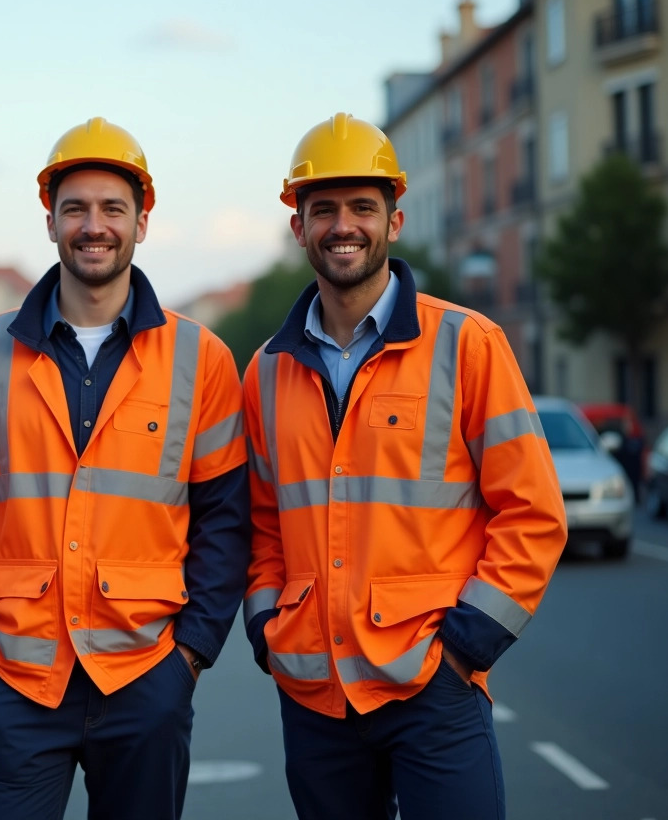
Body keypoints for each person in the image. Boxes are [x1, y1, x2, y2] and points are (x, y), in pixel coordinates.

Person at [0, 117, 250, 820]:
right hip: (17, 684)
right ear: (50, 221)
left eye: (111, 209)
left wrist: (187, 660)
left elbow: (227, 521)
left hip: (145, 681)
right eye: (75, 209)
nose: (92, 226)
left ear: (142, 221)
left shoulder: (202, 360)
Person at [241, 113, 567, 820]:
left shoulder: (468, 344)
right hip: (314, 690)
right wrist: (269, 624)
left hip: (431, 685)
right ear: (297, 226)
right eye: (322, 209)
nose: (342, 225)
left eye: (363, 207)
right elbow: (263, 521)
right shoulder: (265, 371)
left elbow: (534, 513)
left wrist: (466, 646)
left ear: (395, 219)